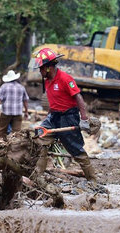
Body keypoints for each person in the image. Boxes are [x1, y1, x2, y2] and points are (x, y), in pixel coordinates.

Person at [32, 48, 97, 182]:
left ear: (49, 68)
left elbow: (78, 97)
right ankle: (38, 177)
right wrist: (47, 117)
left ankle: (93, 180)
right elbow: (54, 100)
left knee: (76, 150)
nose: (40, 71)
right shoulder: (47, 80)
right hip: (53, 117)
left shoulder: (65, 78)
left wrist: (84, 118)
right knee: (40, 139)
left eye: (41, 69)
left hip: (68, 117)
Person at [0, 70, 29, 139]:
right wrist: (26, 111)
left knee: (2, 131)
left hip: (6, 113)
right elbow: (25, 101)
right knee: (17, 133)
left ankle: (2, 145)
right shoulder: (21, 87)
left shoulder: (4, 86)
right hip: (18, 113)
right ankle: (15, 147)